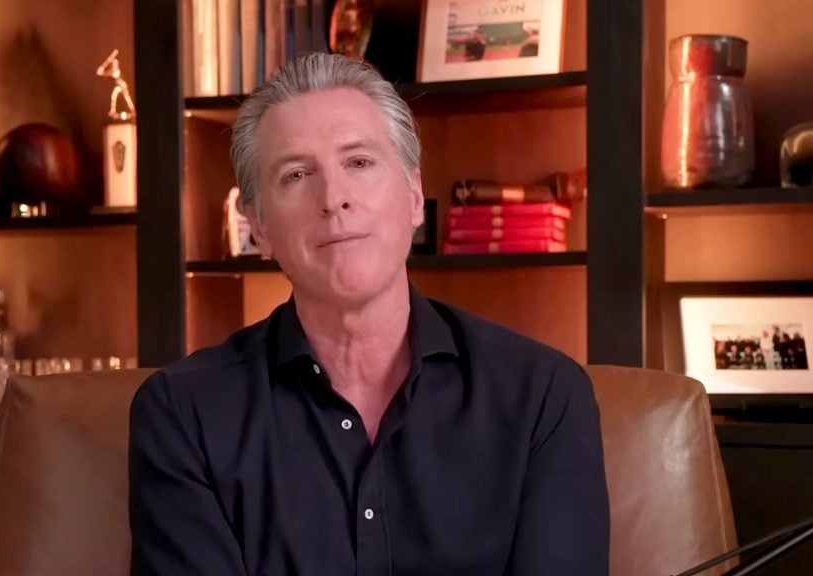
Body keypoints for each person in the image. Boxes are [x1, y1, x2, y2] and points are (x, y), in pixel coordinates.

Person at [129, 52, 610, 575]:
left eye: (358, 162)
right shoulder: (183, 415)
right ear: (258, 227)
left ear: (414, 195)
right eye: (296, 174)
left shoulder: (541, 397)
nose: (334, 198)